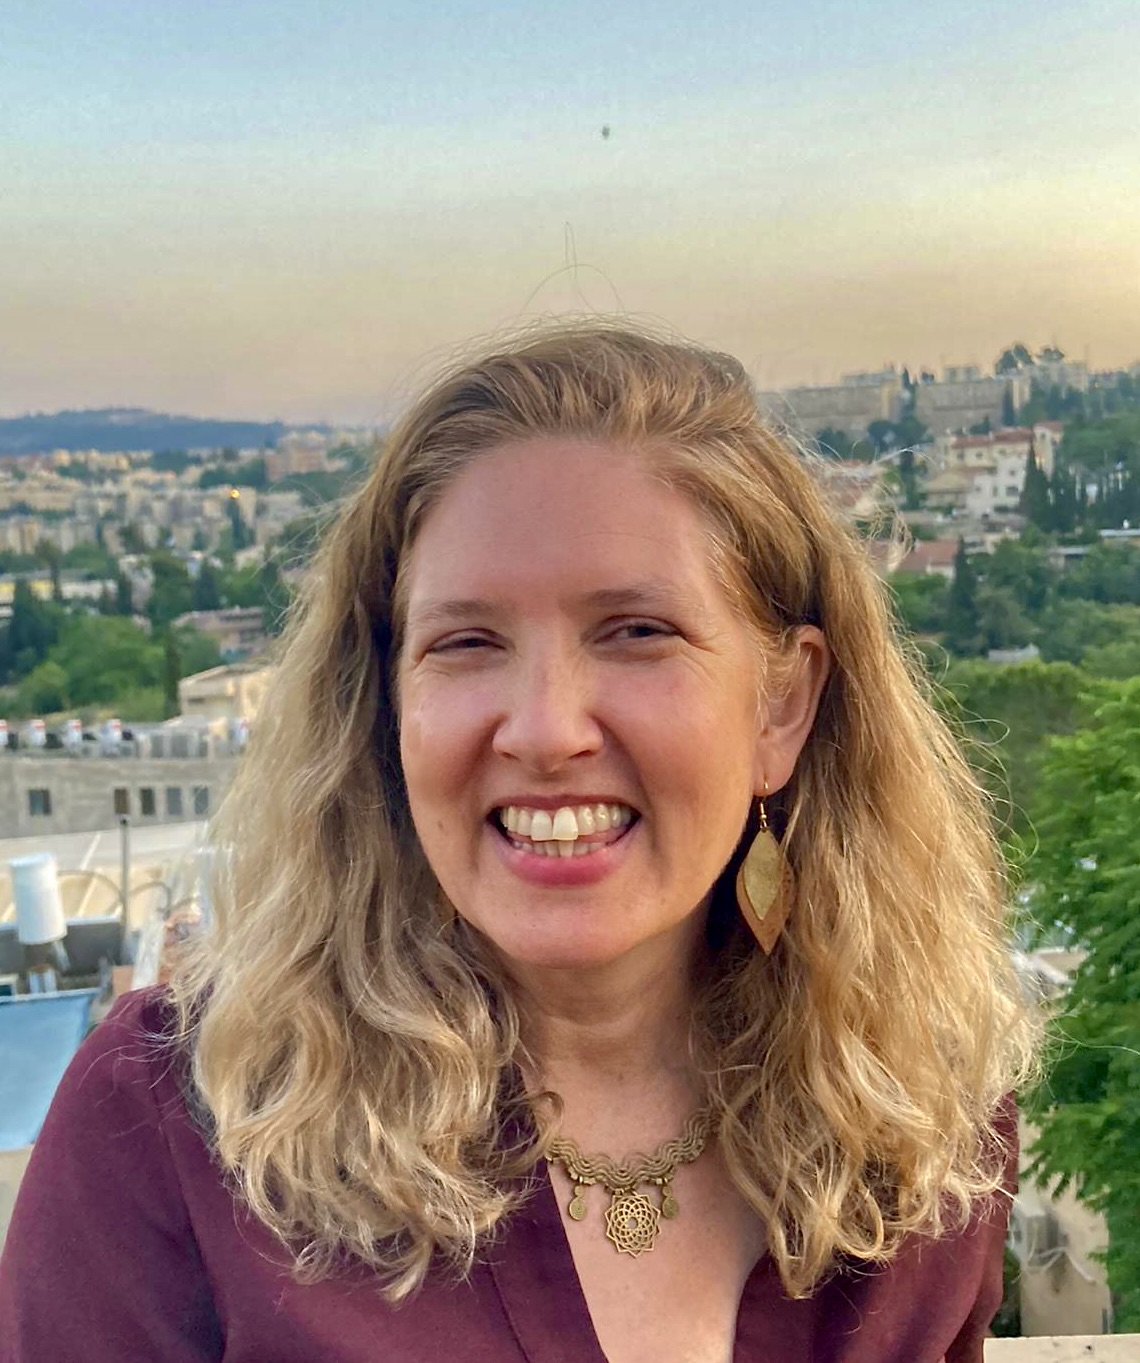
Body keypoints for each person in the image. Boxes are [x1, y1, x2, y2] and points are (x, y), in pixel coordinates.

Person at [0, 324, 1038, 1363]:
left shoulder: (925, 1138)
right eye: (466, 642)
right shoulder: (178, 1129)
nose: (545, 729)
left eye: (636, 631)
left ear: (782, 703)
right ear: (387, 707)